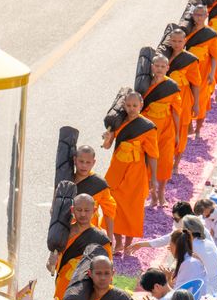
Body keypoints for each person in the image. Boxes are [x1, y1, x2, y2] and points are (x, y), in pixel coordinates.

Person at [102, 90, 158, 254]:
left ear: (141, 105)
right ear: (124, 106)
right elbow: (107, 146)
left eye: (135, 105)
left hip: (135, 173)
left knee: (133, 209)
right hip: (116, 171)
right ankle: (118, 242)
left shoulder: (147, 127)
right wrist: (107, 137)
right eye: (128, 105)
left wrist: (153, 178)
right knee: (115, 207)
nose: (132, 108)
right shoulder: (118, 122)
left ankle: (128, 244)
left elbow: (153, 155)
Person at [47, 193, 112, 300]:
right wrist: (52, 262)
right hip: (62, 290)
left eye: (87, 210)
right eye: (79, 210)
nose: (82, 214)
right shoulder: (63, 234)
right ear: (72, 210)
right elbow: (50, 267)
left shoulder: (101, 240)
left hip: (87, 295)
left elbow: (107, 274)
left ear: (94, 211)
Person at [141, 55, 181, 205]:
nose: (159, 69)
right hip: (148, 130)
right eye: (156, 66)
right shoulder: (145, 85)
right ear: (152, 67)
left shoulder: (171, 87)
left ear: (167, 68)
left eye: (162, 66)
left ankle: (161, 193)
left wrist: (177, 133)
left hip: (166, 130)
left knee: (164, 162)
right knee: (148, 163)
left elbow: (176, 112)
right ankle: (151, 194)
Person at [185, 3, 217, 134]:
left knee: (201, 100)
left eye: (202, 15)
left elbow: (215, 56)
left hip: (203, 72)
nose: (199, 18)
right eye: (196, 15)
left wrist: (212, 73)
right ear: (193, 16)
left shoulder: (210, 35)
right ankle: (189, 127)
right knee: (187, 99)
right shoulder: (188, 32)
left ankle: (198, 129)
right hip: (188, 71)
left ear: (206, 15)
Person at [167, 27, 201, 159]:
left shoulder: (189, 59)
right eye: (174, 41)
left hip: (184, 98)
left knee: (181, 131)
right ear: (170, 41)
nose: (177, 44)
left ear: (185, 41)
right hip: (167, 98)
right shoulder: (166, 56)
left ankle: (176, 164)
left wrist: (196, 104)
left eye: (180, 41)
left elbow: (196, 83)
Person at [71, 145, 116, 241]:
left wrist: (110, 238)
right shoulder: (68, 180)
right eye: (81, 161)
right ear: (75, 160)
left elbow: (109, 213)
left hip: (90, 235)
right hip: (69, 234)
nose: (84, 165)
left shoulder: (99, 184)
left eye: (88, 162)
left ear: (93, 163)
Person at [180, 215, 217, 294]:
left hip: (204, 291)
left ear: (188, 231)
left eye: (183, 230)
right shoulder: (209, 243)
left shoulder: (191, 247)